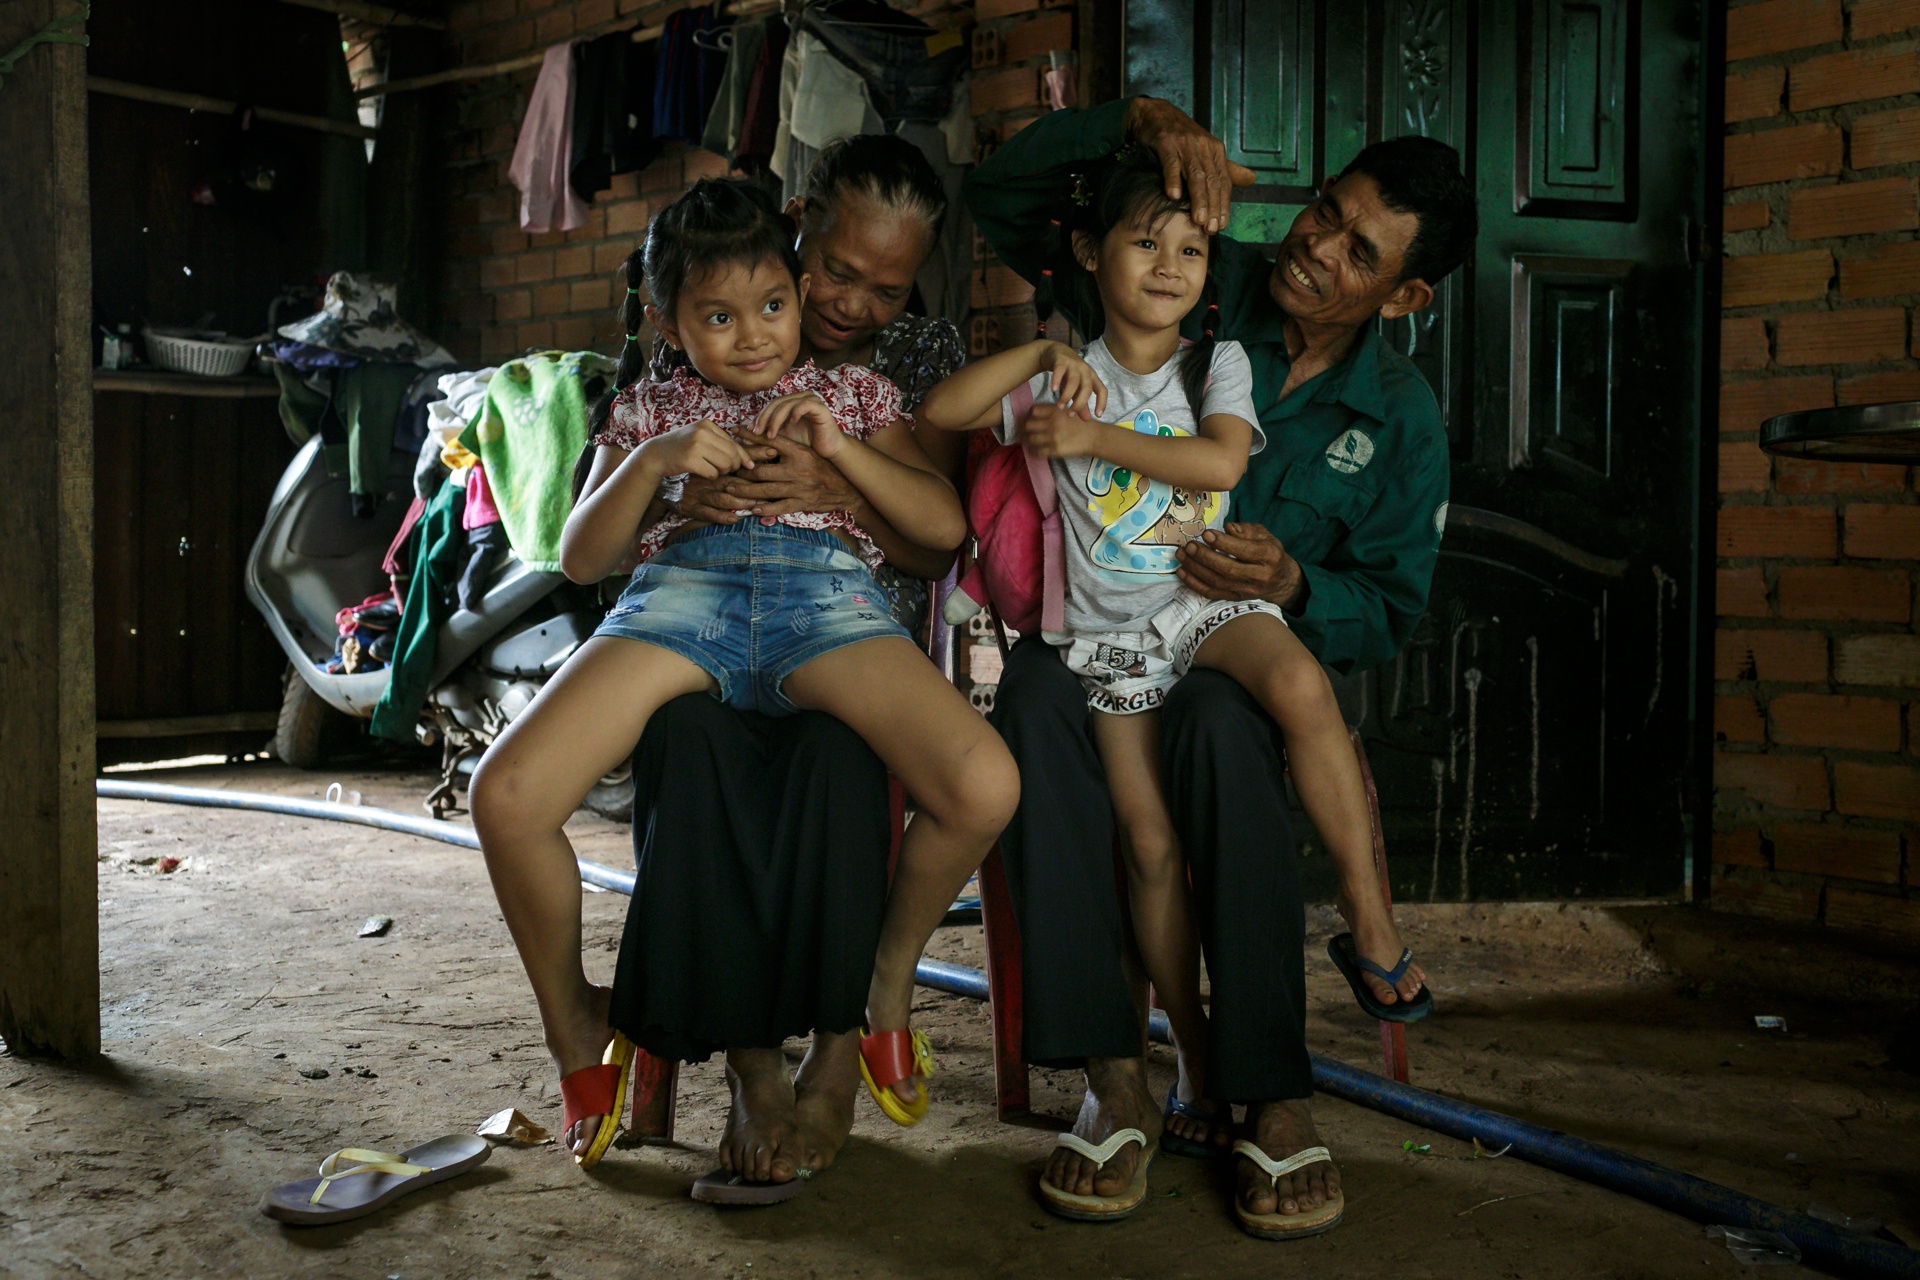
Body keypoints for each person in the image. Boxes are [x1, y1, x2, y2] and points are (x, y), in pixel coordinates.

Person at [964, 99, 1476, 1236]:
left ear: (1404, 296)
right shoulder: (1196, 266)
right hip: (1096, 625)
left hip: (1226, 649)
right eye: (1324, 211)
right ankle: (1115, 1066)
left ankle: (1268, 1086)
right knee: (1035, 697)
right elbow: (1000, 200)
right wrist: (1134, 126)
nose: (1315, 245)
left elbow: (1388, 609)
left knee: (1222, 729)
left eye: (1358, 251)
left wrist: (1294, 583)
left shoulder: (1400, 420)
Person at [468, 179, 1017, 1177]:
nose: (753, 336)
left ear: (797, 293)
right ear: (668, 319)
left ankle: (884, 979)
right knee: (504, 795)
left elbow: (942, 533)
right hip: (682, 606)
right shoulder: (652, 405)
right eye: (716, 316)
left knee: (985, 782)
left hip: (825, 609)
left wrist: (842, 455)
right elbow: (581, 557)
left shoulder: (852, 394)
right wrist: (656, 464)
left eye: (771, 305)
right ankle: (574, 1021)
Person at [604, 135, 972, 1198]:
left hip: (852, 623)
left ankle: (841, 1034)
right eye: (839, 273)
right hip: (702, 620)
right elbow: (605, 535)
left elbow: (931, 539)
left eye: (886, 290)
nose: (856, 304)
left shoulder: (913, 360)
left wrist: (833, 482)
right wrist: (679, 494)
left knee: (836, 755)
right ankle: (750, 1060)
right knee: (690, 742)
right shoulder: (710, 312)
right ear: (798, 226)